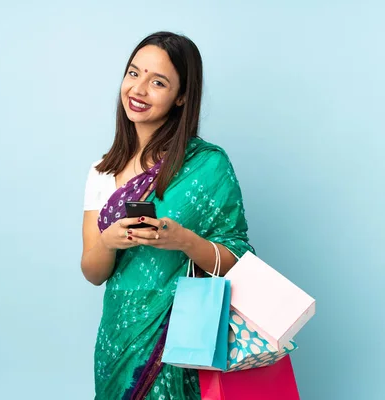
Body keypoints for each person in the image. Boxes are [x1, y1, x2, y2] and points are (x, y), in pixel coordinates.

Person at [81, 31, 254, 399]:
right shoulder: (101, 170)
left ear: (182, 97)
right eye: (133, 73)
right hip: (119, 337)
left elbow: (240, 260)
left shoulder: (208, 165)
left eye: (157, 82)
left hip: (183, 335)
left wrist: (184, 241)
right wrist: (108, 242)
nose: (138, 89)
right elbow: (93, 272)